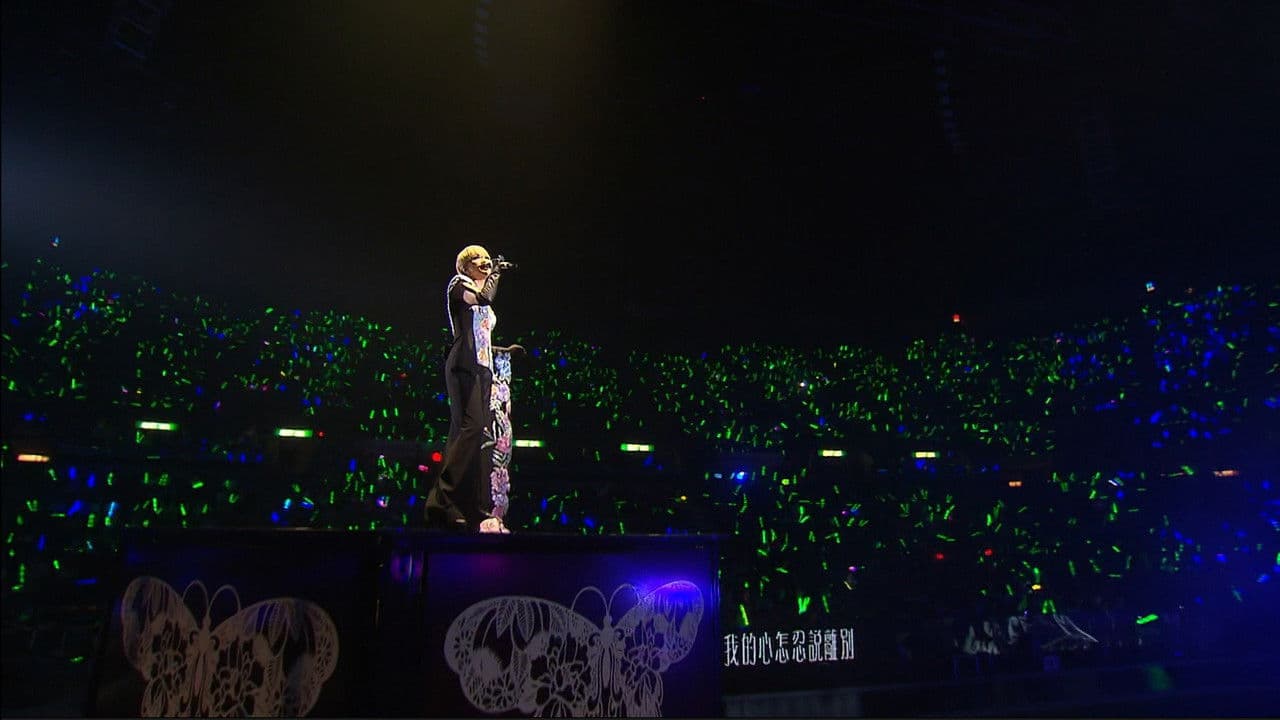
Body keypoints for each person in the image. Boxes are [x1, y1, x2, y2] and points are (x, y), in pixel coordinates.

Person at [425, 244, 521, 533]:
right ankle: (443, 498)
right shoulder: (459, 285)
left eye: (487, 259)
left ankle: (456, 505)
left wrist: (502, 351)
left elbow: (481, 335)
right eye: (478, 259)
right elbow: (483, 300)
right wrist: (495, 274)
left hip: (481, 367)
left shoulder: (477, 289)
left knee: (470, 433)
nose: (485, 262)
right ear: (465, 266)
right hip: (463, 363)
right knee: (471, 427)